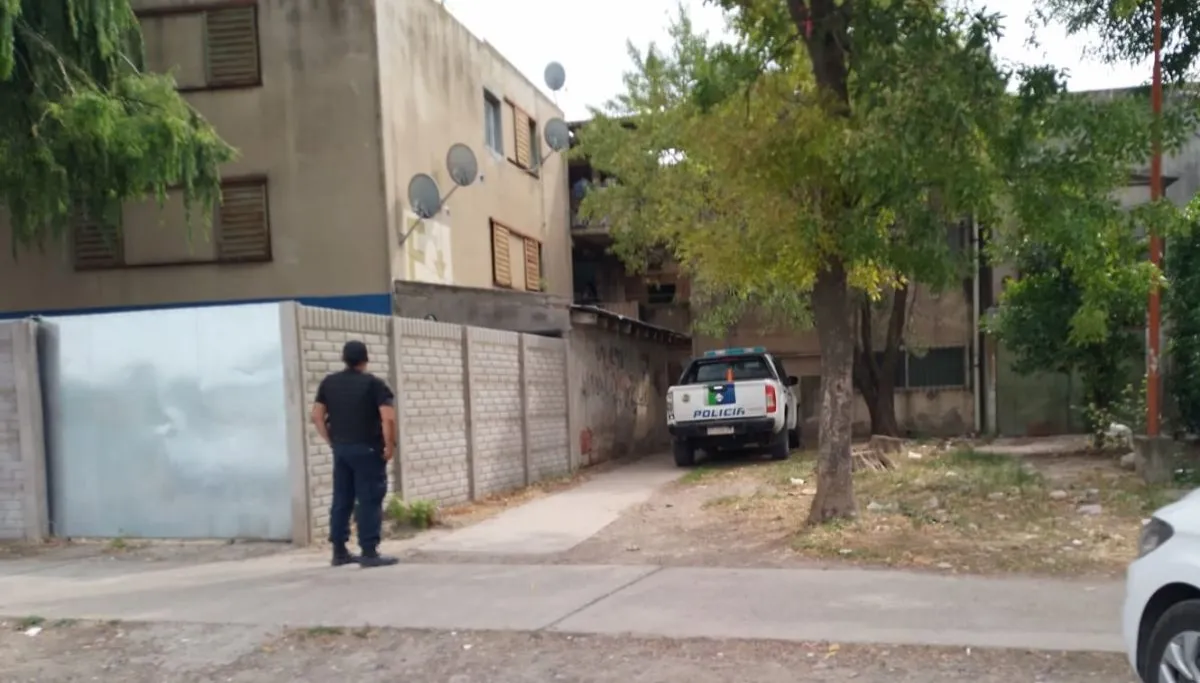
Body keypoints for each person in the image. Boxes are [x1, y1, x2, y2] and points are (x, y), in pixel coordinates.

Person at [310, 340, 399, 568]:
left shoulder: (329, 383)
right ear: (365, 360)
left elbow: (317, 416)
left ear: (344, 359)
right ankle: (369, 551)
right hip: (368, 449)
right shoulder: (375, 385)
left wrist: (331, 441)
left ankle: (339, 551)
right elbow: (388, 418)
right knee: (369, 499)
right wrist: (390, 445)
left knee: (342, 498)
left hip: (342, 449)